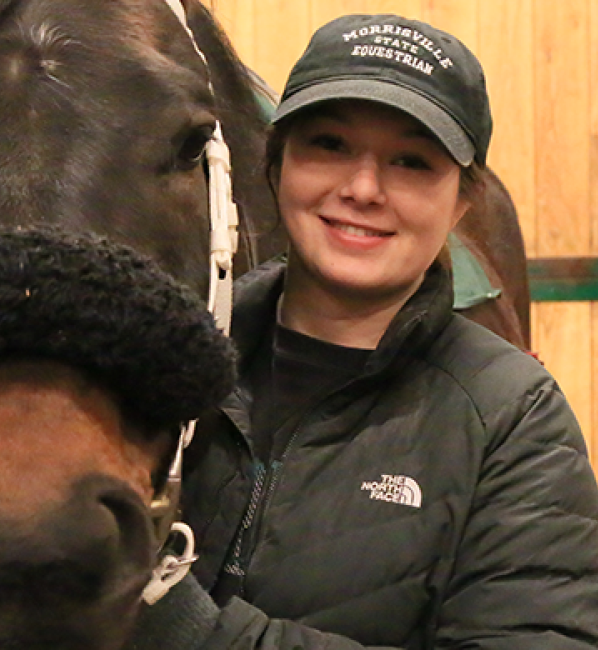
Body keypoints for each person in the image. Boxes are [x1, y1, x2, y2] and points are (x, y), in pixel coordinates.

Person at [137, 12, 598, 650]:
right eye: (328, 144)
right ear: (275, 167)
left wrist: (189, 626)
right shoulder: (166, 362)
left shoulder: (514, 420)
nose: (362, 188)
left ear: (463, 201)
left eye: (411, 161)